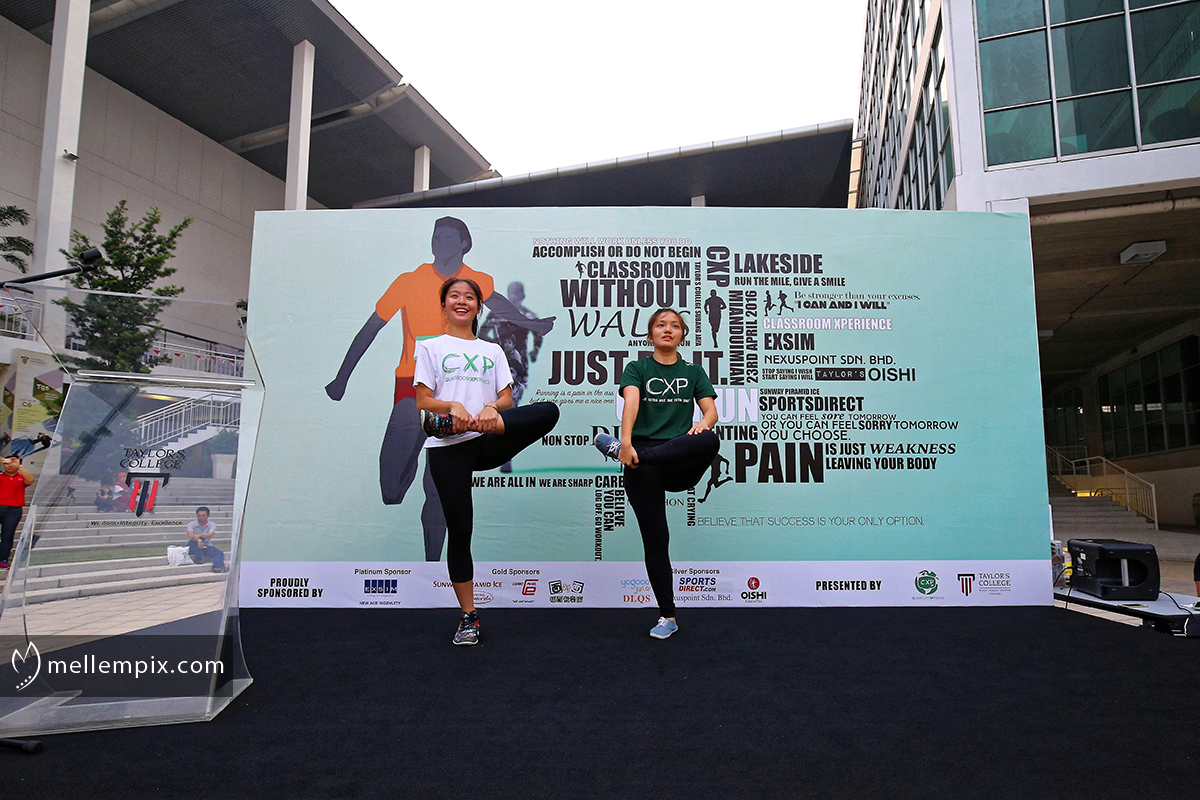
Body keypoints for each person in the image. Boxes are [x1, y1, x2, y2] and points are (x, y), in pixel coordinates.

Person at [325, 217, 554, 562]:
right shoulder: (409, 281)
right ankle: (413, 462)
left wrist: (532, 324)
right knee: (390, 490)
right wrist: (342, 378)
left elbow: (501, 305)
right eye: (436, 237)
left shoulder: (477, 282)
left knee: (437, 489)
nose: (439, 243)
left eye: (447, 238)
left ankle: (432, 566)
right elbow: (371, 328)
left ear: (464, 244)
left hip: (458, 396)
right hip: (413, 386)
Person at [415, 278, 559, 645]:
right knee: (460, 530)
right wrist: (453, 406)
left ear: (479, 307)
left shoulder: (491, 350)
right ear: (444, 305)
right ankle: (469, 616)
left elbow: (507, 399)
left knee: (548, 411)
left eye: (469, 297)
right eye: (454, 296)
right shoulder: (430, 348)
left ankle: (477, 426)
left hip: (486, 438)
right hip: (448, 448)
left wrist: (491, 409)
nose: (462, 301)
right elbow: (423, 401)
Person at [593, 308, 719, 639]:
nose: (668, 329)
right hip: (641, 462)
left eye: (675, 326)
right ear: (650, 336)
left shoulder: (693, 371)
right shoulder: (637, 368)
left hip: (675, 457)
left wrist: (703, 423)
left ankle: (629, 454)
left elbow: (711, 412)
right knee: (657, 539)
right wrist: (626, 443)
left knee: (711, 438)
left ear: (682, 335)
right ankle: (668, 617)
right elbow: (631, 404)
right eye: (661, 325)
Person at [478, 280, 544, 472]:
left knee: (510, 408)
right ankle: (489, 451)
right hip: (496, 366)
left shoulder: (527, 315)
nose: (513, 296)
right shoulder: (496, 314)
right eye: (511, 293)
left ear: (522, 295)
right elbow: (482, 333)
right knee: (493, 407)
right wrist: (495, 347)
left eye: (517, 293)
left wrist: (534, 352)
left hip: (518, 367)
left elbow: (539, 334)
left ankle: (505, 456)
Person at [0, 455, 34, 569]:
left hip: (13, 511)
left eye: (12, 463)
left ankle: (3, 558)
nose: (9, 466)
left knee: (7, 536)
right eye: (7, 463)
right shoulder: (1, 477)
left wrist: (19, 467)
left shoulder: (21, 478)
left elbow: (30, 480)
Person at [187, 506, 227, 573]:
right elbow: (190, 534)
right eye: (199, 515)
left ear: (208, 516)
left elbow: (209, 534)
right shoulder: (191, 524)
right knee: (196, 542)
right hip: (193, 545)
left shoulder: (212, 525)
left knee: (218, 553)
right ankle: (198, 558)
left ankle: (217, 567)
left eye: (203, 516)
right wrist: (199, 540)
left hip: (206, 545)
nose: (201, 517)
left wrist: (199, 536)